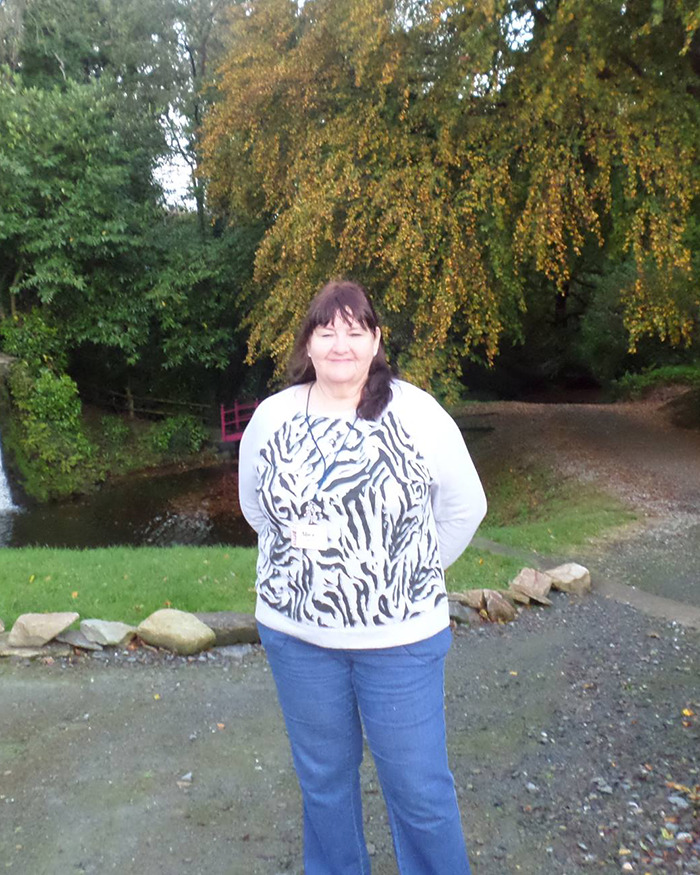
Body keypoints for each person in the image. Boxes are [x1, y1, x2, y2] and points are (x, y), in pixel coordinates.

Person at [238, 279, 487, 874]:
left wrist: (405, 570)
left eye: (354, 331)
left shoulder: (418, 414)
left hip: (400, 641)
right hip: (297, 638)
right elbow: (256, 509)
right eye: (326, 331)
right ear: (307, 343)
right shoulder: (272, 417)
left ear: (376, 341)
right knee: (323, 783)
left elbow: (465, 508)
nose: (340, 344)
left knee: (419, 790)